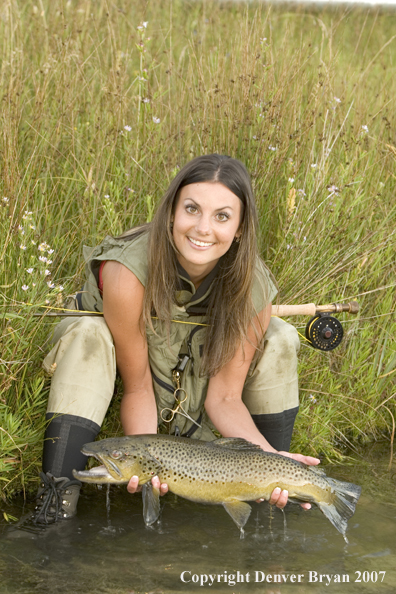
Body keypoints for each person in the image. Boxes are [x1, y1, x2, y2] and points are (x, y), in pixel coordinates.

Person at [34, 154, 319, 524]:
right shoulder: (126, 272)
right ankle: (55, 504)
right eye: (191, 209)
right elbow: (138, 388)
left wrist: (272, 456)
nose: (203, 228)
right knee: (87, 334)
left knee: (280, 335)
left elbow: (226, 397)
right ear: (171, 212)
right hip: (122, 370)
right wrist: (147, 466)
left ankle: (268, 488)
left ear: (240, 228)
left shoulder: (253, 284)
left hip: (196, 382)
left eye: (221, 216)